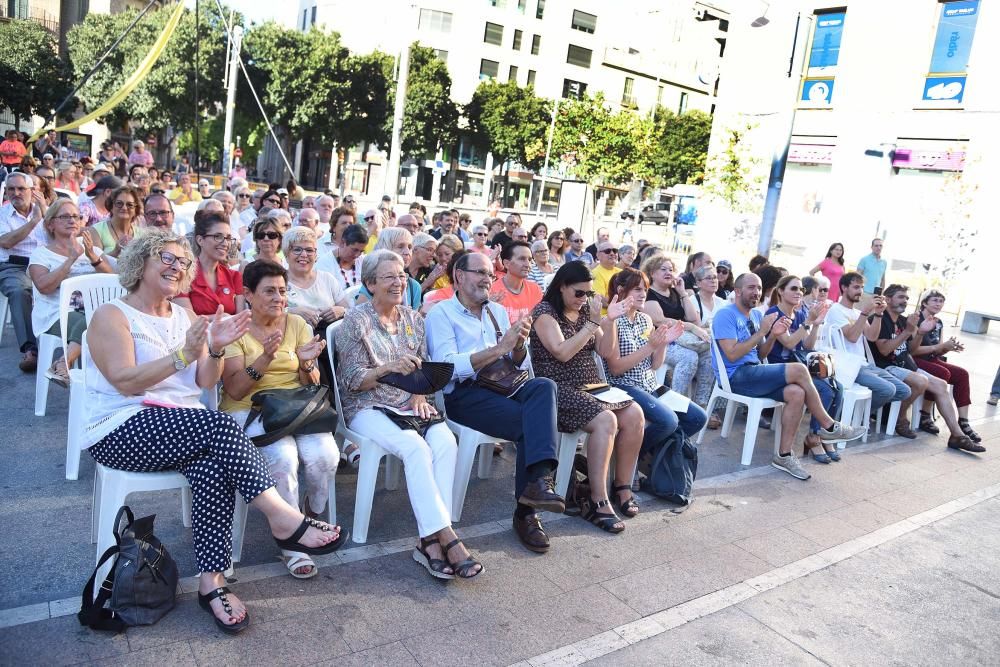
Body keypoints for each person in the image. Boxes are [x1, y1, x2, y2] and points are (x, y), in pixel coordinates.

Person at [84, 230, 347, 633]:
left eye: (183, 263)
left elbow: (205, 382)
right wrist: (182, 354)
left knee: (212, 468)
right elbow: (125, 382)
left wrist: (218, 349)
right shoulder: (113, 315)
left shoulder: (184, 317)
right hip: (122, 426)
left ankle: (213, 582)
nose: (177, 268)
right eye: (166, 259)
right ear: (140, 262)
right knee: (222, 426)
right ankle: (284, 518)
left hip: (185, 425)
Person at [337, 250, 482, 580]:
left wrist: (418, 393)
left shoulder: (414, 319)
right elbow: (351, 379)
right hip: (367, 406)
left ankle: (428, 540)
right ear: (371, 283)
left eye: (402, 275)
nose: (399, 281)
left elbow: (425, 370)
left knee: (445, 442)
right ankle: (445, 537)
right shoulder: (355, 321)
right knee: (415, 448)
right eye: (389, 277)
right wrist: (388, 368)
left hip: (408, 404)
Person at [426, 252, 564, 553]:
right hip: (464, 394)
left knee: (544, 386)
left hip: (504, 385)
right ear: (459, 276)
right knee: (532, 423)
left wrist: (516, 348)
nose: (487, 280)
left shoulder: (497, 312)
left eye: (490, 274)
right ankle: (527, 512)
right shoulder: (442, 314)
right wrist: (498, 348)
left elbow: (518, 363)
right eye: (480, 273)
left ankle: (538, 483)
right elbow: (446, 368)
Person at [219, 260, 341, 578]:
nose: (278, 298)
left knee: (325, 455)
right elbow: (233, 389)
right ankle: (292, 542)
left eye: (283, 291)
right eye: (269, 291)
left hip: (293, 406)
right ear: (248, 294)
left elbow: (312, 384)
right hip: (249, 409)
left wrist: (307, 364)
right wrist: (265, 358)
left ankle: (310, 514)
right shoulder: (235, 329)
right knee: (284, 459)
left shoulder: (297, 324)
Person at [713, 273, 865, 480]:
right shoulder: (726, 315)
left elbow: (761, 354)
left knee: (796, 393)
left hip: (754, 372)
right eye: (750, 287)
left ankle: (784, 455)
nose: (756, 292)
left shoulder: (757, 316)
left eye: (758, 287)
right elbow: (731, 355)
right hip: (736, 377)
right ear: (738, 291)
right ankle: (829, 426)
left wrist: (773, 336)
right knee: (799, 369)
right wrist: (761, 333)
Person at [530, 261, 643, 533]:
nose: (584, 299)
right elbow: (562, 352)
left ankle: (622, 486)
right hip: (559, 390)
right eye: (579, 293)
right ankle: (596, 497)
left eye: (589, 294)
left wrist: (609, 320)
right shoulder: (545, 313)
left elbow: (605, 351)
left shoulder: (585, 314)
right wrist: (592, 323)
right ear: (561, 287)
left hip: (593, 387)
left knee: (635, 413)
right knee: (606, 421)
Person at [602, 267, 708, 467]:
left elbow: (655, 365)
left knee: (697, 418)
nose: (643, 294)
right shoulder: (612, 321)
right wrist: (651, 345)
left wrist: (662, 343)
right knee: (667, 421)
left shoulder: (645, 319)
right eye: (637, 289)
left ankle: (649, 457)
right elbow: (616, 369)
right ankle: (626, 459)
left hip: (649, 385)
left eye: (645, 289)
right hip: (623, 386)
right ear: (621, 290)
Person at [871, 285, 981, 451]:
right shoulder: (880, 318)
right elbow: (885, 350)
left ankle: (957, 435)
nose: (905, 301)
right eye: (901, 297)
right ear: (887, 299)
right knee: (921, 381)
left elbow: (912, 350)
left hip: (905, 365)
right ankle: (900, 419)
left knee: (941, 384)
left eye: (907, 298)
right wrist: (908, 331)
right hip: (887, 366)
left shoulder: (902, 320)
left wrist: (920, 332)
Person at [28, 199, 114, 385]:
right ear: (51, 224)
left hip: (94, 310)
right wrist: (70, 260)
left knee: (109, 319)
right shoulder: (41, 254)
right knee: (98, 319)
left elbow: (114, 280)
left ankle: (62, 363)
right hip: (56, 313)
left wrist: (93, 257)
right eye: (65, 216)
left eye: (76, 216)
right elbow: (43, 286)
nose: (72, 220)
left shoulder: (92, 249)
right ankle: (66, 364)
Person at [765, 275, 843, 461]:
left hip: (799, 367)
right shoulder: (774, 314)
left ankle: (824, 435)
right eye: (793, 288)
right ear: (781, 291)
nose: (799, 292)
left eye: (801, 289)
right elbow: (790, 343)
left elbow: (807, 346)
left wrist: (815, 325)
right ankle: (814, 437)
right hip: (780, 368)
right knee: (824, 390)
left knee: (838, 387)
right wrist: (808, 321)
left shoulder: (799, 314)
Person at [825, 272, 911, 419]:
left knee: (904, 390)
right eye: (856, 287)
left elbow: (871, 336)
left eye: (862, 287)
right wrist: (865, 312)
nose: (860, 291)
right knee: (888, 390)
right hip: (847, 366)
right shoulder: (835, 310)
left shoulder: (857, 312)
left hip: (864, 364)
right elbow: (852, 337)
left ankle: (856, 416)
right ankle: (852, 418)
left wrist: (878, 314)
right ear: (844, 288)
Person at [642, 255, 714, 418]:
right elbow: (659, 321)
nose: (668, 272)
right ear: (652, 273)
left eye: (671, 269)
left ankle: (700, 405)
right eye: (663, 269)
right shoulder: (648, 293)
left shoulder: (676, 291)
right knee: (689, 357)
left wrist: (682, 293)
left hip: (683, 340)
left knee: (708, 355)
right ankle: (674, 407)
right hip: (660, 342)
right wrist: (691, 327)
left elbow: (694, 318)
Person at [911, 289, 981, 443]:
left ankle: (963, 421)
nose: (938, 304)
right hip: (914, 360)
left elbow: (937, 349)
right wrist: (939, 347)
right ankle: (925, 414)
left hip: (931, 359)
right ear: (924, 303)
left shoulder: (938, 322)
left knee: (962, 374)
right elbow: (912, 351)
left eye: (941, 301)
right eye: (935, 300)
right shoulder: (914, 319)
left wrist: (948, 347)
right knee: (942, 373)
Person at [0, 174, 46, 371]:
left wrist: (45, 215)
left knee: (75, 287)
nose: (16, 193)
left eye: (21, 189)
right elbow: (6, 242)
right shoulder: (3, 214)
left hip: (45, 264)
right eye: (11, 189)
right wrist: (34, 221)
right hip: (13, 266)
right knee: (19, 292)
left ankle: (74, 347)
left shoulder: (47, 211)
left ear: (32, 191)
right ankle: (31, 350)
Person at [173, 211, 244, 316]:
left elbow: (241, 319)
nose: (225, 243)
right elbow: (187, 320)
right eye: (218, 236)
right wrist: (222, 318)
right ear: (200, 240)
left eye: (228, 238)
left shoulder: (234, 276)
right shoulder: (183, 274)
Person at [357, 227, 423, 309]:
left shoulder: (414, 287)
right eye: (400, 247)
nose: (407, 252)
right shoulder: (375, 282)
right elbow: (359, 315)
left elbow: (413, 320)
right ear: (385, 249)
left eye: (409, 247)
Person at [490, 241, 543, 323]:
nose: (527, 264)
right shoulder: (492, 291)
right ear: (507, 264)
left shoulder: (535, 289)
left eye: (529, 260)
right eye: (522, 259)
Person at [318, 223, 367, 293]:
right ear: (342, 243)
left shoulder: (363, 261)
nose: (357, 255)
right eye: (354, 250)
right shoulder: (324, 264)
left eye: (361, 251)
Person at [591, 241, 621, 313]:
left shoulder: (622, 272)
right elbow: (602, 301)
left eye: (615, 251)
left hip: (621, 314)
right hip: (605, 317)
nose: (612, 253)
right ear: (598, 255)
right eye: (607, 251)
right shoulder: (595, 273)